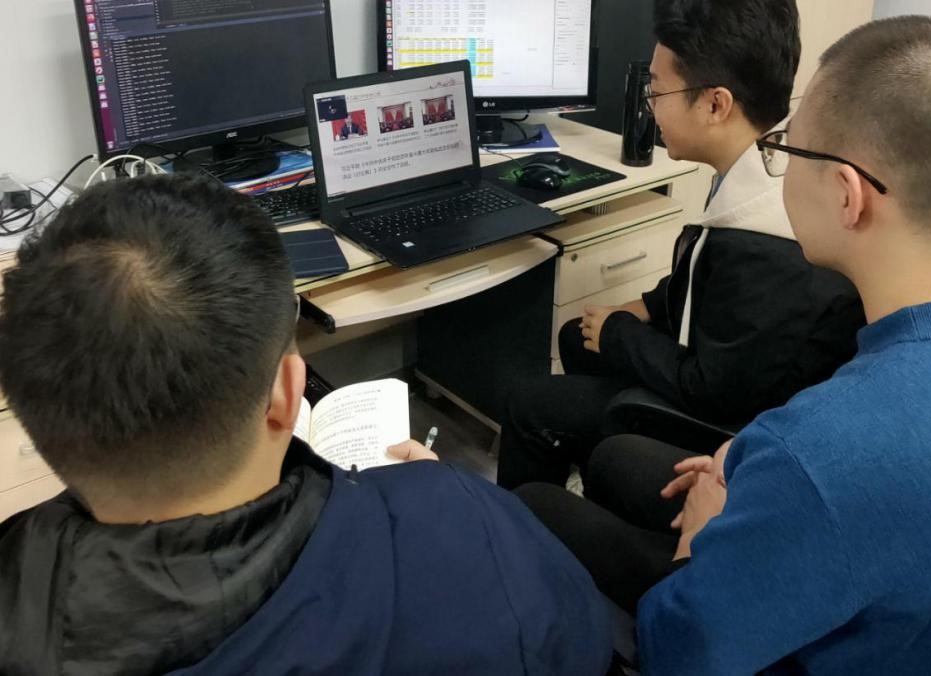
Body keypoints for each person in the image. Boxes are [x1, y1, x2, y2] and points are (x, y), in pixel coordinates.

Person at [0, 174, 612, 675]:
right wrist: (438, 503)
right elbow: (581, 644)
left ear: (39, 422)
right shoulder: (462, 522)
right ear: (288, 391)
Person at [633, 15, 931, 672]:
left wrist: (703, 537)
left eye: (788, 150)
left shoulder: (823, 446)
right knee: (620, 460)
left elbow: (678, 652)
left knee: (543, 517)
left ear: (847, 195)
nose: (777, 167)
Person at [497, 0, 863, 490]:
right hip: (728, 366)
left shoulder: (768, 248)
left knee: (529, 403)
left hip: (728, 426)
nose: (650, 106)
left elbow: (715, 390)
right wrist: (649, 305)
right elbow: (711, 283)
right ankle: (601, 480)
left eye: (656, 89)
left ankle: (546, 512)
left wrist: (621, 333)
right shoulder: (768, 165)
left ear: (715, 104)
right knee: (576, 336)